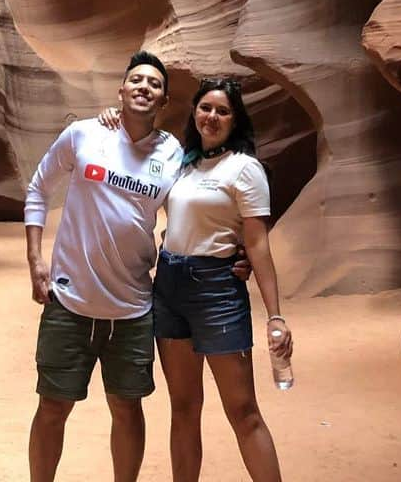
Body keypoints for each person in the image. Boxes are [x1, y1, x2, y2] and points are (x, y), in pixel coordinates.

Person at [24, 52, 250, 482]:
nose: (145, 86)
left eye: (155, 83)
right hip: (70, 302)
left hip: (131, 309)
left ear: (164, 100)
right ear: (122, 90)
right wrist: (35, 258)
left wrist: (236, 250)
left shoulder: (172, 154)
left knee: (127, 409)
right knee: (53, 406)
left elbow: (203, 204)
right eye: (136, 80)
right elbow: (38, 188)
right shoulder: (83, 134)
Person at [101, 76, 291, 482]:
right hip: (169, 286)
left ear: (235, 120)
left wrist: (275, 315)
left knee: (243, 411)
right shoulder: (182, 162)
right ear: (195, 112)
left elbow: (256, 243)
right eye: (206, 108)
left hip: (216, 290)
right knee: (184, 408)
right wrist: (110, 119)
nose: (212, 116)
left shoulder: (245, 168)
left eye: (223, 111)